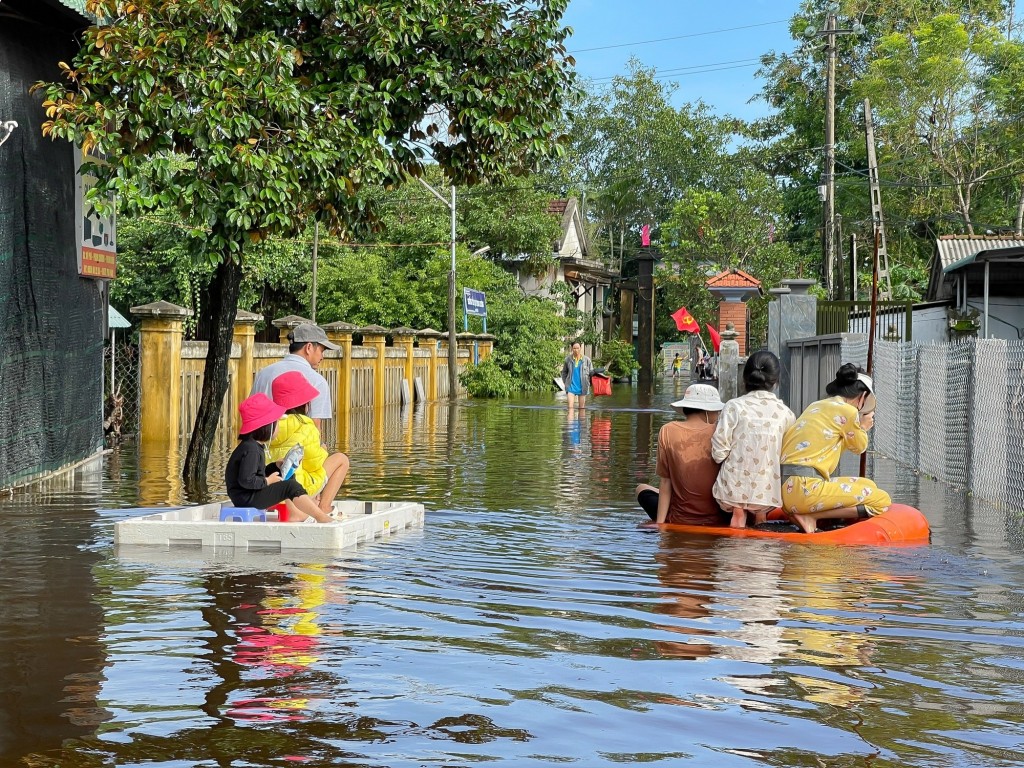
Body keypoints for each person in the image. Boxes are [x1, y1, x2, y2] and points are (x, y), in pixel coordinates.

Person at [779, 363, 892, 533]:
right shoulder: (849, 411)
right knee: (881, 500)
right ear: (862, 396)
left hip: (787, 489)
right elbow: (860, 447)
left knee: (867, 484)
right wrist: (862, 427)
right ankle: (811, 516)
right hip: (806, 489)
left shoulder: (816, 405)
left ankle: (807, 513)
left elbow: (832, 446)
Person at [711, 350, 796, 528]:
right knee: (762, 516)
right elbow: (787, 454)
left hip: (731, 487)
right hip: (766, 490)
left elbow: (719, 451)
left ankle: (738, 515)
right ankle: (760, 519)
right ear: (776, 381)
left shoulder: (733, 406)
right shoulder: (786, 413)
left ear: (745, 378)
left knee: (737, 511)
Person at [224, 393, 332, 523]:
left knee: (286, 475)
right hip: (247, 498)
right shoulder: (251, 450)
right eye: (276, 423)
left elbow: (256, 473)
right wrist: (268, 481)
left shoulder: (253, 446)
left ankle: (302, 511)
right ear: (267, 426)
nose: (278, 427)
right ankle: (319, 516)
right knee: (289, 487)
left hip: (248, 494)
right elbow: (246, 480)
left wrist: (275, 466)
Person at [636, 383, 729, 526]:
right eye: (716, 411)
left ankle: (662, 518)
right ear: (707, 410)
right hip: (719, 518)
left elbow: (666, 482)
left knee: (641, 489)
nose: (717, 415)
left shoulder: (667, 430)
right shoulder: (721, 432)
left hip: (679, 517)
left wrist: (660, 524)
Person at [268, 371, 350, 516]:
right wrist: (323, 449)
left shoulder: (268, 425)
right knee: (341, 459)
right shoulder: (306, 426)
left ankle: (312, 501)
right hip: (296, 490)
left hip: (269, 488)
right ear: (305, 404)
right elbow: (315, 464)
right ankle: (324, 507)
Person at [251, 323, 338, 431]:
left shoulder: (263, 373)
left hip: (261, 441)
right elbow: (315, 428)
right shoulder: (317, 381)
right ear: (309, 347)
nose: (322, 357)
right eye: (322, 351)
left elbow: (252, 416)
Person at [560, 341, 593, 411]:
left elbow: (591, 373)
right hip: (571, 387)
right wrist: (565, 382)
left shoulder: (587, 360)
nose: (576, 350)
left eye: (578, 348)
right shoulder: (568, 360)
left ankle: (581, 418)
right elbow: (564, 372)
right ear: (572, 348)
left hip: (583, 387)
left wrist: (588, 383)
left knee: (582, 408)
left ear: (580, 348)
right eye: (574, 348)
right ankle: (570, 418)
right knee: (570, 407)